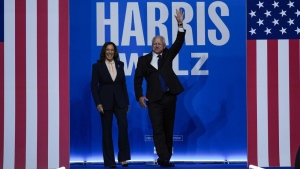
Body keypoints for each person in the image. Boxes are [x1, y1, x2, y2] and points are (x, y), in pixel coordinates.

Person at [134, 8, 185, 167]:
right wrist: (139, 95)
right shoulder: (143, 60)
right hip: (153, 99)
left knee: (168, 129)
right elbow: (137, 79)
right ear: (152, 45)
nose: (156, 46)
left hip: (170, 97)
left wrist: (180, 24)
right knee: (157, 129)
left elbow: (179, 42)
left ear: (164, 46)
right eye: (154, 44)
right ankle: (163, 157)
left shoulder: (168, 55)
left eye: (159, 44)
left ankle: (166, 158)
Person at [91, 42, 131, 168]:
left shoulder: (120, 64)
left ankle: (123, 158)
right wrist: (98, 103)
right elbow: (93, 86)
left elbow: (123, 84)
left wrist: (127, 102)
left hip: (120, 102)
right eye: (107, 50)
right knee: (107, 132)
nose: (110, 52)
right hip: (105, 103)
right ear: (104, 51)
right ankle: (109, 161)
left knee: (123, 128)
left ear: (115, 52)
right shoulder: (97, 66)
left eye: (112, 50)